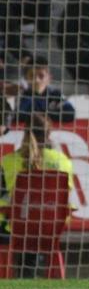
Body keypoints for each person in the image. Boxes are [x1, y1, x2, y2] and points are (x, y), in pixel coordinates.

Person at [0, 115, 73, 271]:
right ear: (49, 134)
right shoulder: (63, 161)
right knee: (36, 216)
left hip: (15, 225)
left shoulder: (8, 161)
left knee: (19, 214)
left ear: (25, 133)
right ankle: (32, 271)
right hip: (50, 226)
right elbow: (66, 194)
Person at [16, 57, 75, 124]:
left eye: (41, 76)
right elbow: (19, 116)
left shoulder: (55, 94)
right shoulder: (22, 95)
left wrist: (41, 114)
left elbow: (70, 114)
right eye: (32, 76)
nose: (36, 80)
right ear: (26, 78)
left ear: (49, 78)